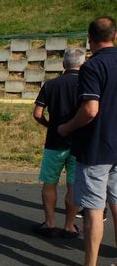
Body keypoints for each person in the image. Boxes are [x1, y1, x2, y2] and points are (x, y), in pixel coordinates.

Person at [57, 16, 117, 266]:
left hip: (96, 147)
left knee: (94, 208)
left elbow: (90, 110)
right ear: (114, 36)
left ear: (90, 39)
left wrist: (68, 127)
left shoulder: (93, 66)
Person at [32, 48, 85, 239]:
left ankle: (50, 223)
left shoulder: (51, 85)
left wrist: (49, 125)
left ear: (64, 64)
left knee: (50, 182)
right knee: (73, 185)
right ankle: (69, 226)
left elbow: (37, 114)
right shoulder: (88, 84)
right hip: (79, 143)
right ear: (83, 64)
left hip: (54, 141)